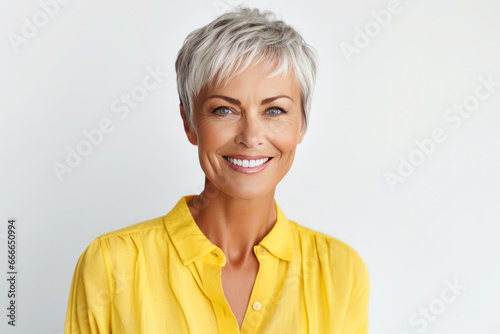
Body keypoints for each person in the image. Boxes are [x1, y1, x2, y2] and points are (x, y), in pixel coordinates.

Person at [64, 6, 370, 334]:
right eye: (224, 109)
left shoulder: (341, 271)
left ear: (301, 125)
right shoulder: (111, 264)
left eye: (275, 110)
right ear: (189, 122)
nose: (251, 136)